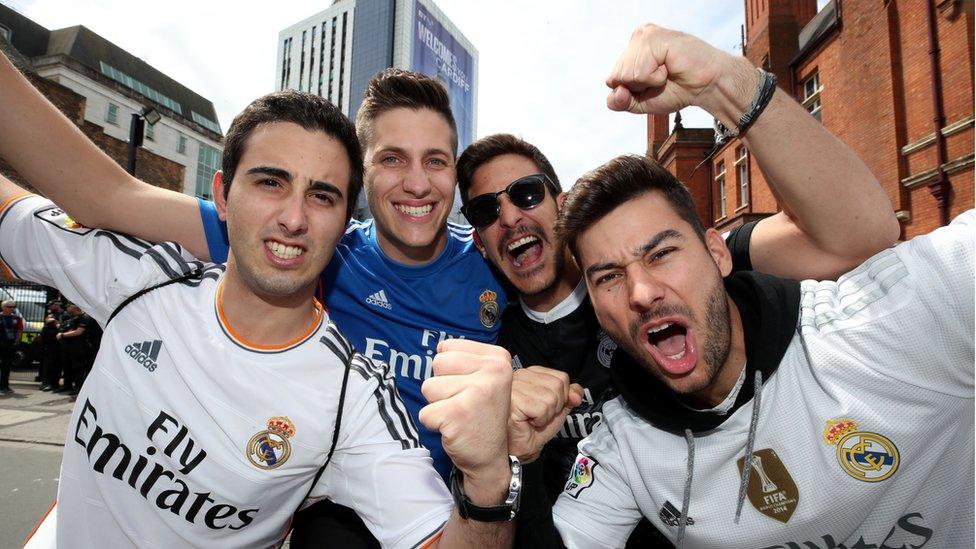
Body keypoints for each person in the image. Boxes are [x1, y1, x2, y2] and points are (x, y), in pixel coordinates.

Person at [1, 87, 525, 547]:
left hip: (410, 501)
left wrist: (488, 477)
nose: (294, 218)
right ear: (224, 196)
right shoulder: (148, 276)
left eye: (436, 160)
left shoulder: (361, 393)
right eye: (270, 183)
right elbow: (110, 196)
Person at [515, 23, 973, 549]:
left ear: (716, 253)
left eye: (662, 253)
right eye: (609, 277)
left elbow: (873, 234)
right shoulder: (621, 448)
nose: (641, 292)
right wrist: (505, 466)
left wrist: (724, 84)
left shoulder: (880, 324)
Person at [55, 303, 92, 396]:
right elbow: (67, 328)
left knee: (78, 368)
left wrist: (63, 335)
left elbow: (79, 332)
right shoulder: (74, 318)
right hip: (70, 347)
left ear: (74, 307)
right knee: (68, 367)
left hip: (79, 348)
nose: (67, 309)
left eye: (68, 307)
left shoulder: (85, 317)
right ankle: (67, 385)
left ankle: (79, 387)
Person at [0, 298, 24, 394]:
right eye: (9, 307)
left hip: (9, 344)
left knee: (6, 366)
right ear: (2, 307)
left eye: (13, 307)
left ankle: (4, 385)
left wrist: (17, 342)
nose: (11, 309)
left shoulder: (16, 318)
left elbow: (19, 330)